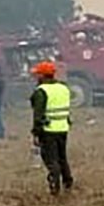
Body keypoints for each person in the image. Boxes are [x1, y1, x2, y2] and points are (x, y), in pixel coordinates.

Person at [30, 61, 73, 195]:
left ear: (43, 75)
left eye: (38, 74)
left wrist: (36, 132)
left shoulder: (41, 91)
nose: (36, 77)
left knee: (50, 159)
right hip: (63, 128)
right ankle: (68, 182)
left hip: (48, 130)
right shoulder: (64, 88)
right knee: (62, 157)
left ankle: (55, 186)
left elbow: (38, 114)